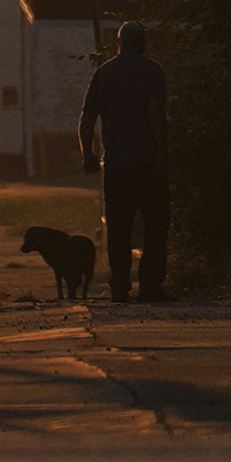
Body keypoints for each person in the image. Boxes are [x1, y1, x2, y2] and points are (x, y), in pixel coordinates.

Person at [79, 21, 171, 300]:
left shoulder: (103, 74)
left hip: (117, 165)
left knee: (119, 228)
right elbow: (156, 114)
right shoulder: (153, 71)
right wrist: (163, 153)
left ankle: (119, 285)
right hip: (147, 164)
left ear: (118, 44)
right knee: (156, 225)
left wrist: (88, 153)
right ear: (142, 43)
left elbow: (87, 118)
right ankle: (151, 286)